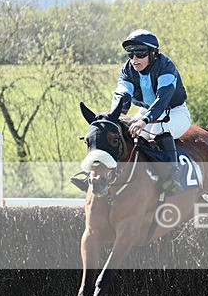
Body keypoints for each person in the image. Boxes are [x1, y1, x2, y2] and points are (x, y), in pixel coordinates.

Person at [71, 28, 189, 195]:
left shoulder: (166, 67)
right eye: (131, 54)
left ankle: (172, 175)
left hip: (174, 112)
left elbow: (162, 100)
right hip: (146, 110)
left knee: (157, 132)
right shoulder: (127, 70)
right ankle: (97, 174)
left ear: (153, 53)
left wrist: (144, 120)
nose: (134, 59)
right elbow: (122, 96)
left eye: (140, 54)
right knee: (119, 133)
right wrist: (114, 117)